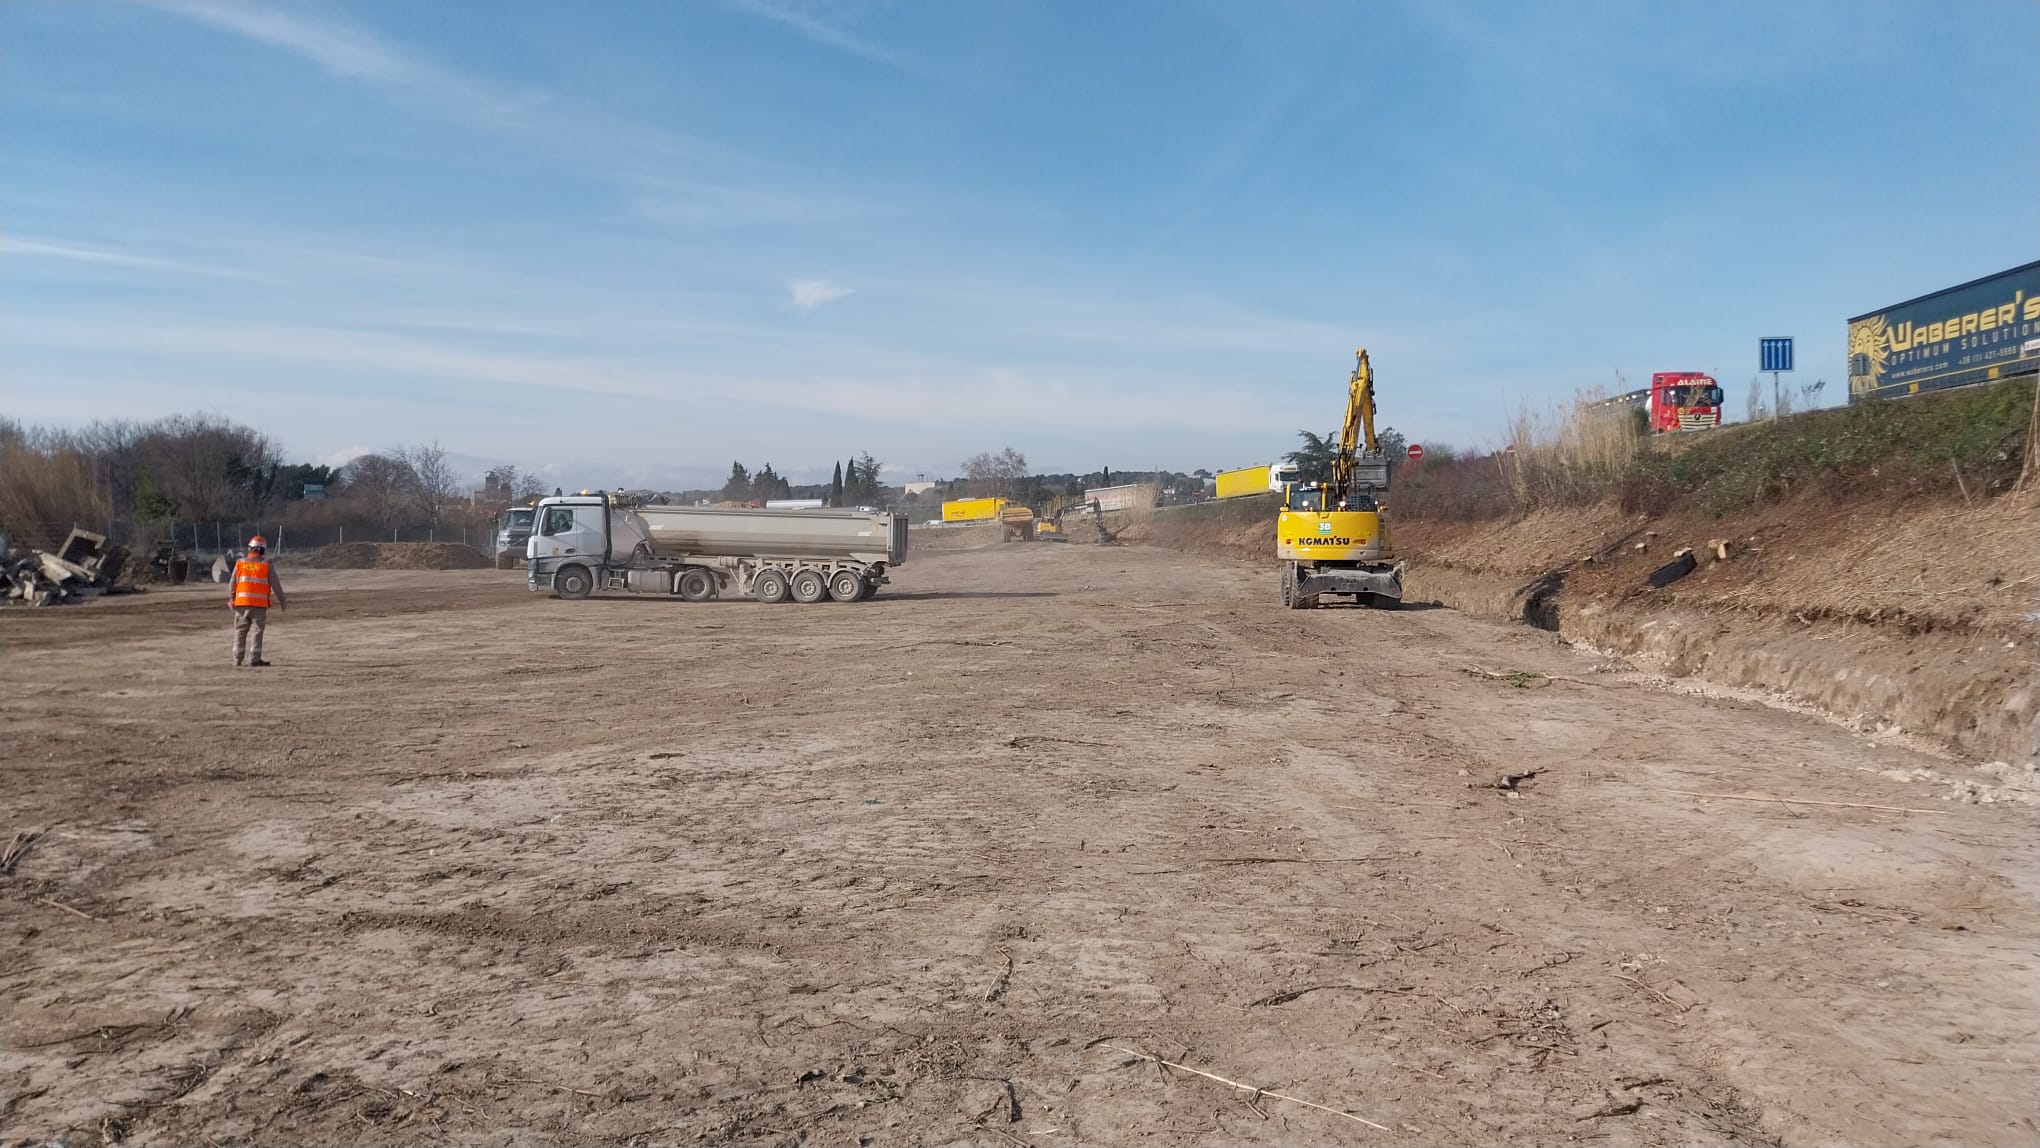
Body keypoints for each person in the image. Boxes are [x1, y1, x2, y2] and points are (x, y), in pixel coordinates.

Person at [230, 535, 286, 667]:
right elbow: (275, 584)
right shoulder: (266, 565)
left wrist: (232, 598)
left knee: (240, 631)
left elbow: (232, 582)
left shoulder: (240, 563)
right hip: (259, 605)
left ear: (250, 548)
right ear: (263, 550)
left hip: (241, 604)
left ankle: (237, 659)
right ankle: (254, 659)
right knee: (257, 631)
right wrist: (282, 599)